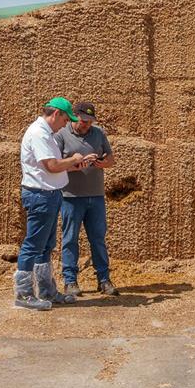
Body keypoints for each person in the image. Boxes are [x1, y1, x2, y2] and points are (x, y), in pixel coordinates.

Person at [14, 97, 95, 310]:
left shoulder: (47, 134)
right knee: (33, 245)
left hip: (49, 194)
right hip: (41, 196)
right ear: (56, 114)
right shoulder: (39, 134)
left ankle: (47, 291)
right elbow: (51, 165)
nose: (65, 124)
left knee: (46, 246)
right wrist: (74, 158)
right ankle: (23, 295)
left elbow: (54, 167)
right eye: (65, 119)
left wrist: (75, 165)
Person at [54, 101, 120, 297]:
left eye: (90, 122)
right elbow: (54, 165)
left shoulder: (98, 133)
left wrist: (101, 163)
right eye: (83, 121)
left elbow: (111, 160)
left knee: (98, 239)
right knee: (70, 240)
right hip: (70, 196)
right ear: (74, 116)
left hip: (96, 196)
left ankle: (104, 279)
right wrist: (76, 164)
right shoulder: (61, 134)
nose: (86, 125)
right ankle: (70, 281)